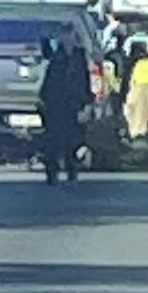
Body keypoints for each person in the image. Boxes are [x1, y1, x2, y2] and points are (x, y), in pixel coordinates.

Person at [38, 34, 91, 185]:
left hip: (68, 105)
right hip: (59, 104)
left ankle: (67, 170)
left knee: (66, 140)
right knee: (58, 140)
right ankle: (57, 171)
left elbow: (82, 84)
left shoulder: (75, 60)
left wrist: (85, 101)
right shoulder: (60, 60)